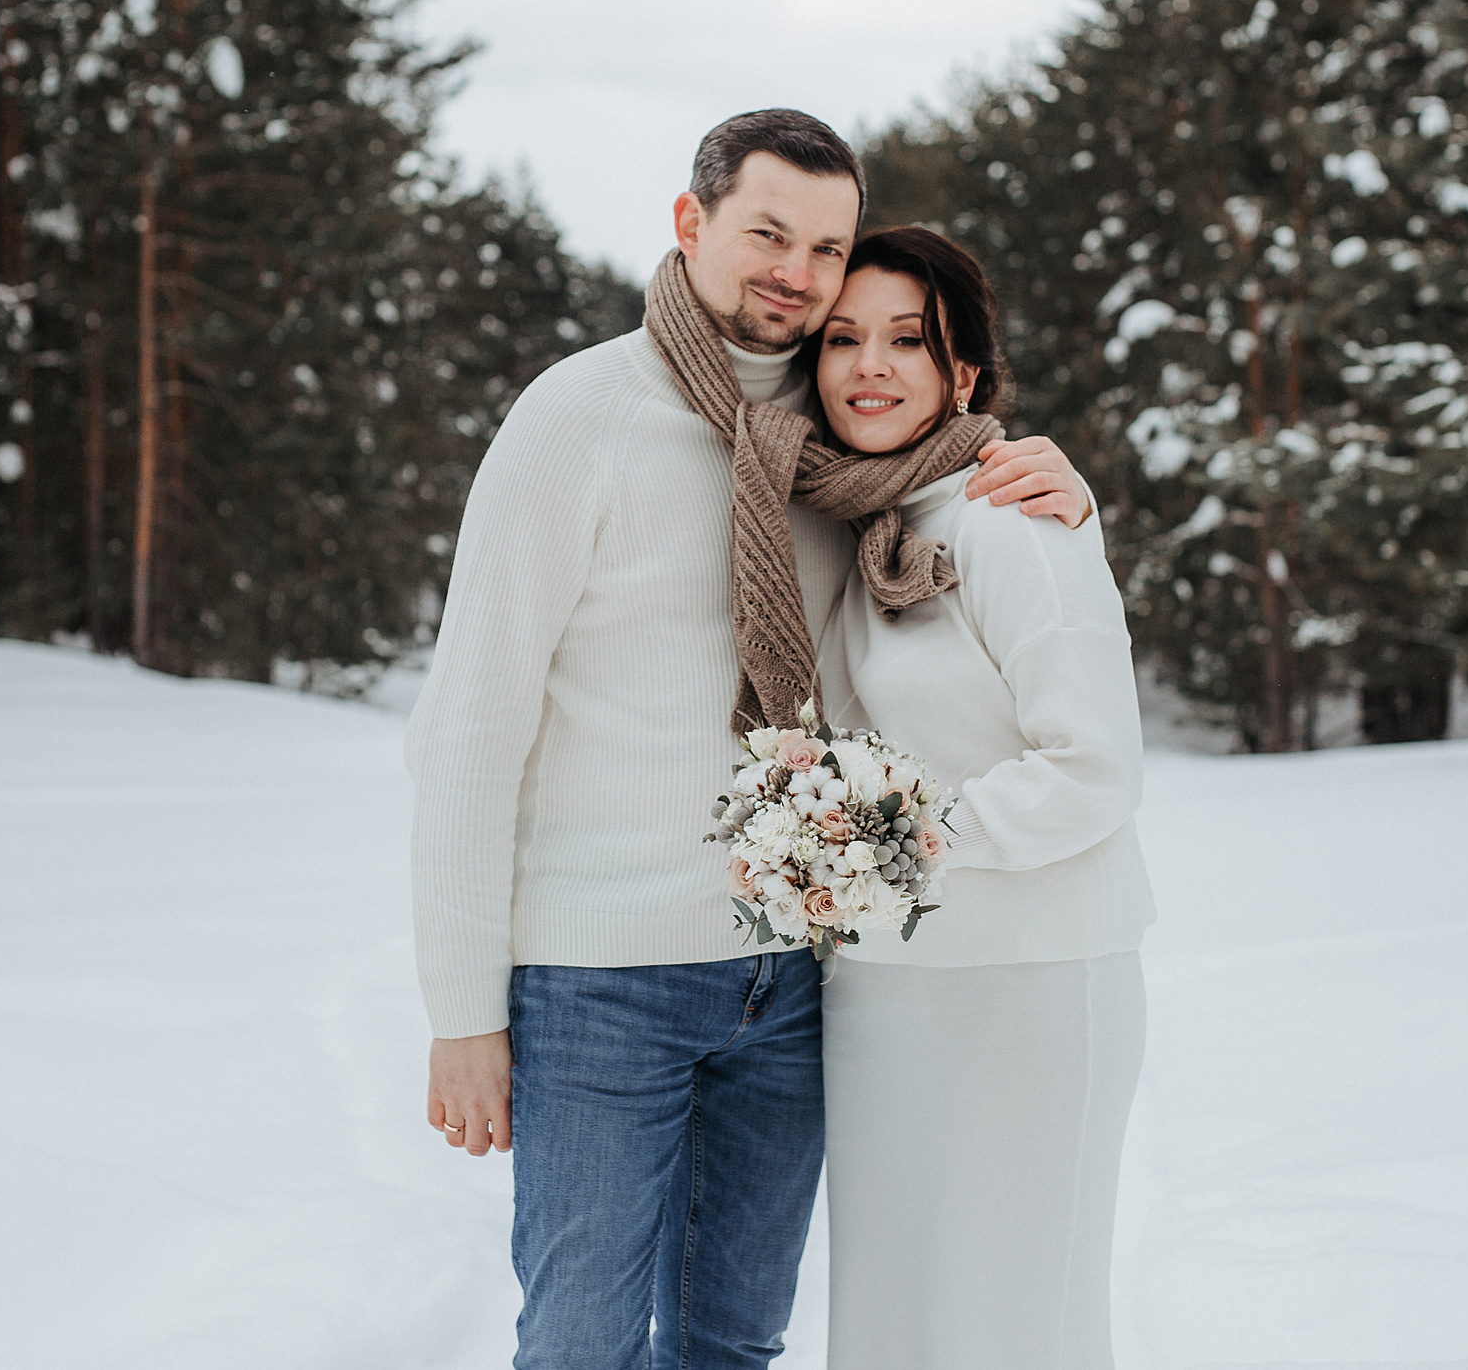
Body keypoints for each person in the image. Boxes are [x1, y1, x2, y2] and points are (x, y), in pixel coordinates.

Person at [406, 110, 1094, 1370]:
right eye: (767, 232)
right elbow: (467, 727)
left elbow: (949, 464)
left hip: (791, 979)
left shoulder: (843, 449)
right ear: (690, 222)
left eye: (826, 248)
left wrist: (1054, 481)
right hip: (599, 983)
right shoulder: (581, 416)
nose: (797, 271)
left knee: (733, 1343)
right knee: (582, 1346)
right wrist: (462, 1012)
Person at [807, 226, 1154, 1370]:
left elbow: (1091, 764)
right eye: (843, 337)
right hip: (884, 990)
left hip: (1025, 985)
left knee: (1009, 1323)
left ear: (963, 375)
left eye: (907, 339)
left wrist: (892, 845)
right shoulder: (856, 529)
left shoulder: (1014, 521)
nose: (869, 364)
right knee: (894, 1322)